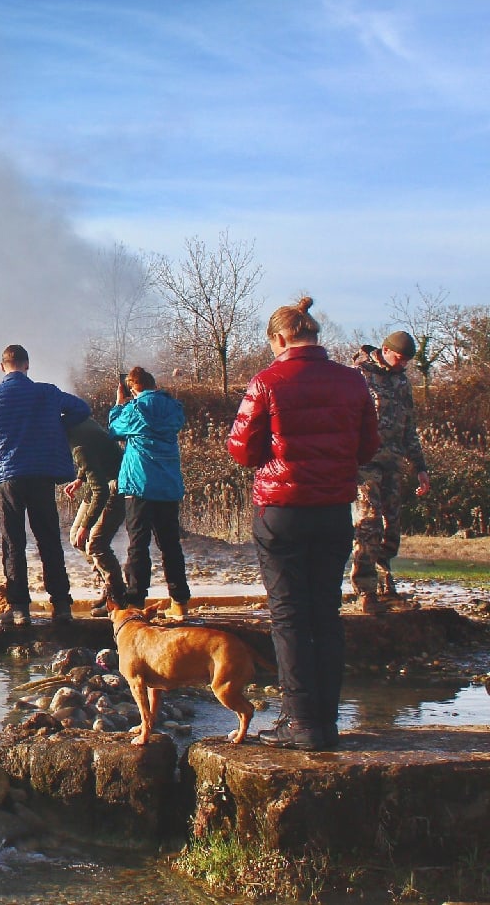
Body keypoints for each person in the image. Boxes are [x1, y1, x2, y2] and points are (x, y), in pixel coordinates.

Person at [227, 297, 378, 751]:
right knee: (325, 615)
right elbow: (367, 447)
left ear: (278, 339)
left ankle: (299, 722)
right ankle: (325, 723)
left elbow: (241, 450)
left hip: (282, 512)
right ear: (314, 334)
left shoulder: (266, 382)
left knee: (289, 617)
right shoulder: (353, 382)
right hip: (333, 510)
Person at [0, 345, 92, 626]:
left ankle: (19, 609)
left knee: (13, 542)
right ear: (27, 365)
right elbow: (82, 409)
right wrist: (57, 425)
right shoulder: (48, 392)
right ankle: (62, 605)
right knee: (49, 539)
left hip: (8, 477)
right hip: (41, 475)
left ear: (2, 366)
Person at [351, 331, 431, 612]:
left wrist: (420, 467)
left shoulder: (402, 382)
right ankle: (365, 590)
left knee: (391, 527)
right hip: (365, 463)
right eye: (399, 358)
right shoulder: (358, 376)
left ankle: (386, 582)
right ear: (384, 350)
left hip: (393, 464)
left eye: (407, 360)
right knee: (369, 522)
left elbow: (409, 428)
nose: (403, 364)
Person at [109, 366, 193, 621]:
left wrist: (119, 404)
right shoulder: (173, 408)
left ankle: (135, 601)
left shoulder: (135, 409)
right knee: (170, 545)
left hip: (140, 486)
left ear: (133, 387)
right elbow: (176, 421)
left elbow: (114, 429)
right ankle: (180, 603)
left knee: (138, 546)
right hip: (167, 486)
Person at [62, 415, 130, 617]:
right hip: (103, 481)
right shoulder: (80, 422)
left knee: (96, 544)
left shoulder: (78, 445)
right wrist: (80, 479)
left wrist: (86, 525)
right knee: (75, 538)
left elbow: (101, 491)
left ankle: (118, 597)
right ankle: (107, 583)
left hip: (114, 485)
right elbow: (97, 452)